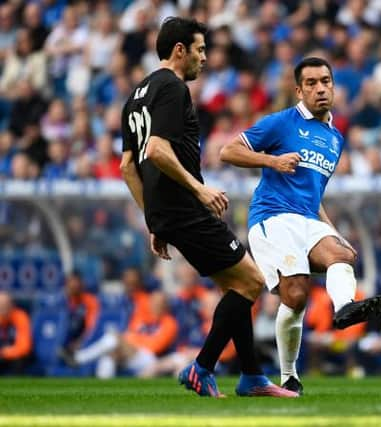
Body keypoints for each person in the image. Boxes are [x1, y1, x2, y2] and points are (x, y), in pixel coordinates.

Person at [119, 16, 296, 398]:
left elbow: (127, 167)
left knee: (236, 285)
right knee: (251, 281)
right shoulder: (172, 87)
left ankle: (251, 377)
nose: (204, 58)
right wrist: (199, 190)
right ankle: (202, 368)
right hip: (184, 205)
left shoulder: (136, 95)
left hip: (168, 211)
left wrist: (153, 220)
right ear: (179, 50)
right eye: (200, 50)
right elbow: (157, 150)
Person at [220, 56, 381, 394]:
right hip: (272, 216)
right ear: (299, 90)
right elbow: (228, 151)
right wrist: (272, 160)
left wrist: (334, 231)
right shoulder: (282, 123)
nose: (320, 88)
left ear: (334, 86)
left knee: (342, 256)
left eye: (325, 81)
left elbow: (314, 194)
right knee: (296, 295)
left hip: (307, 219)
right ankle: (289, 375)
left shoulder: (334, 139)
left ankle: (344, 309)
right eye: (311, 83)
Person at [0, 291, 32, 375]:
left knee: (18, 362)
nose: (2, 308)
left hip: (17, 356)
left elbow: (24, 347)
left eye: (5, 305)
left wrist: (6, 352)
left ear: (11, 305)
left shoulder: (21, 317)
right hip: (3, 354)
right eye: (0, 305)